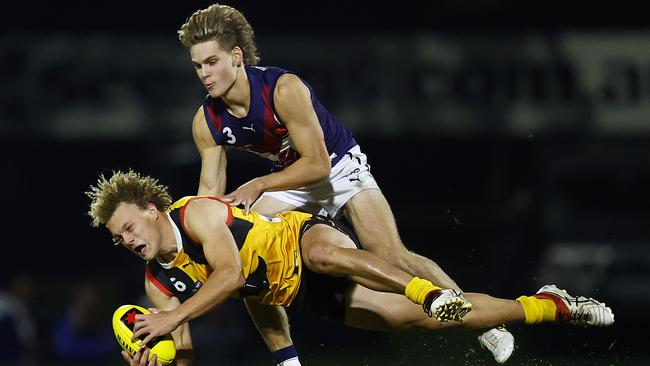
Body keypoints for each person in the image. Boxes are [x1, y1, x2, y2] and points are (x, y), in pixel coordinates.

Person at [177, 3, 516, 363]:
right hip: (288, 181)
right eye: (198, 66)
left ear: (237, 57)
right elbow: (208, 197)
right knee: (247, 249)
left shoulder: (282, 89)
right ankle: (288, 360)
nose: (205, 74)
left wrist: (259, 184)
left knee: (391, 255)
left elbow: (318, 164)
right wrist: (195, 247)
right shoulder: (206, 121)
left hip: (337, 167)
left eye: (212, 62)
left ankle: (481, 323)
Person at [86, 170, 615, 366]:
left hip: (301, 237)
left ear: (152, 210)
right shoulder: (158, 286)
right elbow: (236, 311)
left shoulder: (194, 214)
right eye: (118, 238)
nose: (128, 240)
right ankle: (551, 306)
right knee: (437, 322)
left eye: (130, 226)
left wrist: (171, 321)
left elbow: (227, 277)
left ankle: (423, 288)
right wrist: (154, 358)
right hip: (299, 296)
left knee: (326, 254)